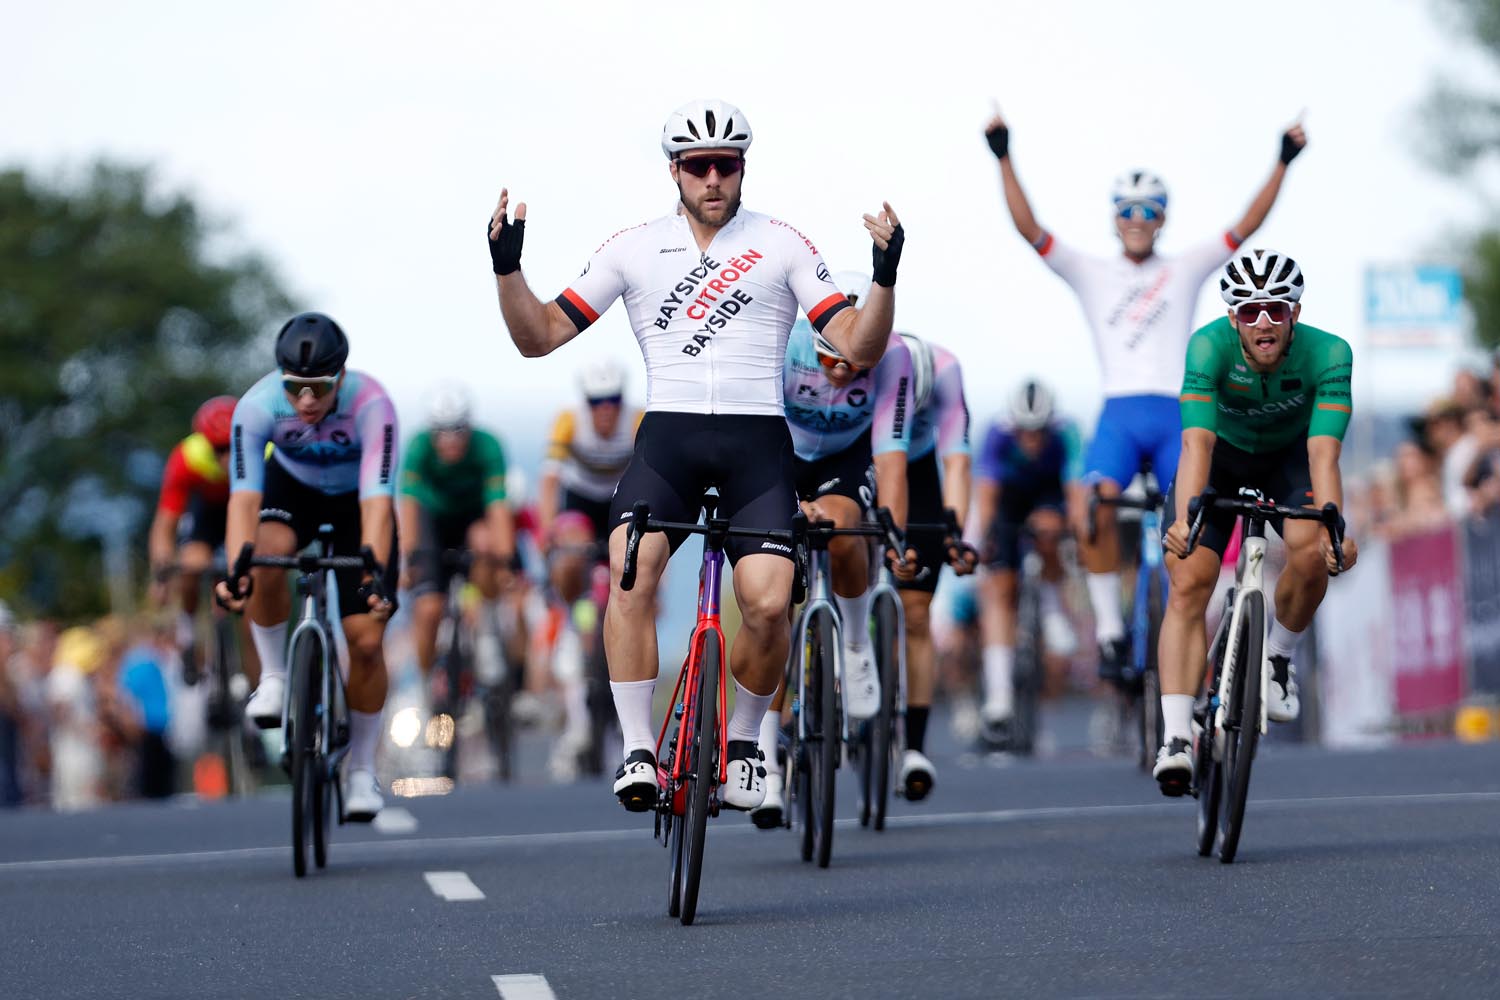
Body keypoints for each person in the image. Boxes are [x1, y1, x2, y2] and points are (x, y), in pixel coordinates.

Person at [488, 98, 905, 814]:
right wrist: (508, 269)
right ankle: (637, 750)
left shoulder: (783, 244)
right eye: (697, 165)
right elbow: (541, 335)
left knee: (771, 606)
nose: (712, 178)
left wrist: (884, 278)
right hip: (669, 443)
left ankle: (745, 738)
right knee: (632, 577)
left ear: (743, 168)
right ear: (674, 171)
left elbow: (859, 346)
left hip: (756, 445)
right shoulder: (633, 247)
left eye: (726, 165)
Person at [983, 109, 1307, 684]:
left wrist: (1282, 160)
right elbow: (1027, 226)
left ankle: (1194, 649)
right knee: (1092, 503)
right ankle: (1109, 628)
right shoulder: (1089, 270)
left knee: (1190, 534)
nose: (1138, 219)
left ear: (1162, 219)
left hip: (1175, 412)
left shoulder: (1184, 266)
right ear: (1114, 218)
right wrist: (1003, 154)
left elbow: (1247, 225)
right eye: (1128, 210)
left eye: (1149, 210)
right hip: (1120, 413)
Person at [1153, 249, 1358, 794]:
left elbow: (1324, 453)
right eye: (1248, 312)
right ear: (1231, 320)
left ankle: (1277, 660)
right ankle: (1175, 737)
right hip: (1221, 459)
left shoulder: (1330, 352)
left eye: (1274, 309)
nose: (1262, 322)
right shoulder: (1207, 347)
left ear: (1295, 312)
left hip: (1292, 460)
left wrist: (1335, 529)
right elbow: (1196, 441)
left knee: (1313, 551)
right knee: (1190, 579)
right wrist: (1185, 520)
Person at [216, 312, 400, 821]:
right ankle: (273, 676)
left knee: (365, 641)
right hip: (290, 490)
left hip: (354, 505)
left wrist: (375, 576)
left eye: (318, 388)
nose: (306, 402)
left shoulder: (372, 405)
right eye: (295, 388)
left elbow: (378, 504)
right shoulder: (256, 407)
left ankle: (361, 771)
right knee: (266, 555)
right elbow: (242, 502)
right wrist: (237, 572)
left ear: (340, 376)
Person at [751, 279, 916, 828]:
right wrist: (788, 500)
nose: (841, 372)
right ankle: (767, 765)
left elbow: (891, 455)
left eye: (854, 365)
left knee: (847, 531)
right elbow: (757, 429)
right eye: (830, 359)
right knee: (774, 601)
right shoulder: (786, 345)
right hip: (782, 455)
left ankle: (852, 643)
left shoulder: (893, 359)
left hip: (846, 463)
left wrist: (893, 532)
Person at [887, 332, 977, 798]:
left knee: (917, 612)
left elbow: (957, 464)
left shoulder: (945, 370)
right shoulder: (872, 363)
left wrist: (955, 535)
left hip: (918, 466)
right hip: (864, 456)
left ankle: (915, 747)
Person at [974, 378, 1083, 746]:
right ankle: (999, 697)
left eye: (1039, 432)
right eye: (1026, 432)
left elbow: (1074, 490)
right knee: (1000, 588)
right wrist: (984, 540)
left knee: (1051, 530)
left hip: (1048, 495)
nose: (1032, 439)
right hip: (1009, 499)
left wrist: (1074, 528)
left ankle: (1051, 608)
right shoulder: (998, 434)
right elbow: (986, 494)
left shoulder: (1066, 434)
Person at [399, 382, 517, 701]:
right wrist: (409, 561)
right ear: (432, 431)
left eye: (458, 431)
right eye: (443, 432)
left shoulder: (488, 446)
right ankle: (425, 685)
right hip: (433, 522)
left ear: (470, 427)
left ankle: (488, 634)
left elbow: (498, 507)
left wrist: (504, 562)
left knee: (484, 541)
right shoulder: (418, 448)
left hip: (472, 519)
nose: (451, 441)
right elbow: (408, 508)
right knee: (427, 610)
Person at [148, 396, 261, 685]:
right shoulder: (186, 458)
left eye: (230, 448)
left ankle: (259, 689)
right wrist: (160, 575)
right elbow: (165, 524)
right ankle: (188, 634)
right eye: (218, 450)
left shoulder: (263, 448)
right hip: (206, 517)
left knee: (254, 614)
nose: (225, 459)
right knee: (191, 564)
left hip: (247, 512)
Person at [537, 358, 643, 545]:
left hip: (618, 498)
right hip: (581, 496)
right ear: (586, 401)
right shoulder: (568, 420)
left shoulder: (637, 420)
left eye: (613, 399)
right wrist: (547, 530)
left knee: (643, 548)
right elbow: (550, 478)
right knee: (572, 548)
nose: (605, 408)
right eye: (596, 401)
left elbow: (650, 476)